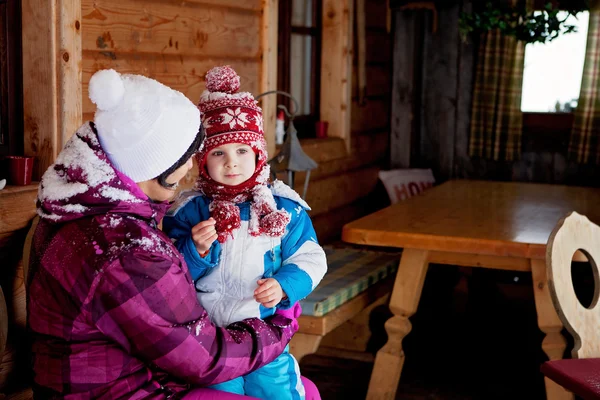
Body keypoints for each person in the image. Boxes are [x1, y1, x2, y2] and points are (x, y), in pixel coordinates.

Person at [27, 68, 320, 399]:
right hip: (133, 387)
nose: (189, 171)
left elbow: (308, 256)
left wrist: (287, 286)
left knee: (298, 389)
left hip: (152, 365)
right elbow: (204, 357)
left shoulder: (98, 209)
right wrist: (280, 328)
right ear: (155, 164)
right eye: (190, 157)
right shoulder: (125, 248)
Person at [163, 66, 328, 400]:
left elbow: (312, 257)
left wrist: (285, 285)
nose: (232, 163)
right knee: (222, 392)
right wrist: (194, 250)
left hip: (263, 330)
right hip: (209, 338)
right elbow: (168, 273)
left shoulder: (283, 209)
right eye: (219, 153)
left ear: (258, 154)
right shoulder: (189, 211)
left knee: (276, 389)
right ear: (202, 160)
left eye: (242, 151)